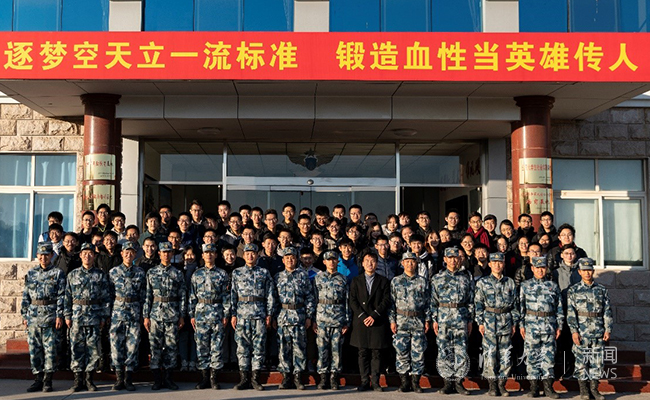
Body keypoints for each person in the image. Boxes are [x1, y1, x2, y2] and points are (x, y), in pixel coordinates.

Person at [64, 243, 111, 392]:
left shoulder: (100, 275)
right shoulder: (72, 275)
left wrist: (104, 316)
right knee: (76, 348)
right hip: (77, 317)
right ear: (80, 255)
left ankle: (89, 380)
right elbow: (67, 297)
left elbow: (106, 297)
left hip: (94, 316)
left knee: (93, 350)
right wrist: (67, 315)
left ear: (94, 256)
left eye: (90, 253)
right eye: (84, 253)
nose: (87, 256)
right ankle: (78, 380)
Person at [21, 242, 66, 393]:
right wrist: (24, 315)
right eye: (41, 255)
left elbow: (61, 296)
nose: (43, 258)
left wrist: (60, 315)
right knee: (35, 349)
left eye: (46, 255)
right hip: (33, 316)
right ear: (37, 256)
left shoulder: (58, 273)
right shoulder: (31, 273)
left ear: (51, 255)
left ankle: (48, 380)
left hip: (50, 316)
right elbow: (26, 295)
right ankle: (38, 379)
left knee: (50, 350)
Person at [230, 243, 276, 391]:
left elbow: (270, 295)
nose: (250, 256)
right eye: (247, 253)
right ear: (243, 255)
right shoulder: (237, 273)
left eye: (253, 253)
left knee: (259, 347)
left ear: (257, 255)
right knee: (242, 348)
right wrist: (233, 314)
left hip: (259, 314)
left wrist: (269, 314)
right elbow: (233, 294)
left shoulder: (264, 272)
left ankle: (255, 379)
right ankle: (244, 379)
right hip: (242, 315)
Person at [143, 241, 187, 391]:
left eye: (169, 252)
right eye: (163, 252)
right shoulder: (151, 272)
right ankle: (157, 379)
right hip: (155, 314)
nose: (166, 254)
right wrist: (146, 316)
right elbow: (147, 296)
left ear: (172, 253)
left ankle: (168, 379)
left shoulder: (178, 273)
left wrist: (182, 315)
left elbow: (182, 296)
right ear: (159, 253)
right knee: (155, 347)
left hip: (172, 314)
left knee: (171, 347)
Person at [474, 252, 519, 397]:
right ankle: (492, 385)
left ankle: (502, 384)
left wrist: (514, 323)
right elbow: (478, 304)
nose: (497, 265)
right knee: (490, 354)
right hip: (489, 322)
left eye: (500, 262)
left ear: (503, 264)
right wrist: (480, 322)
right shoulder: (483, 283)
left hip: (506, 321)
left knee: (505, 354)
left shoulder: (510, 282)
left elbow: (515, 305)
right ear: (490, 264)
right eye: (494, 262)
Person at [567, 258, 613, 400]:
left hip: (598, 331)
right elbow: (571, 313)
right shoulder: (574, 290)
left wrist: (608, 329)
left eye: (589, 270)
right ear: (579, 272)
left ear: (593, 271)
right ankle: (584, 390)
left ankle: (594, 389)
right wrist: (574, 331)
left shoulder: (601, 290)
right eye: (584, 270)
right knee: (581, 361)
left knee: (597, 362)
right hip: (582, 332)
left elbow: (607, 311)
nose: (587, 273)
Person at [430, 247, 474, 395]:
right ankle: (447, 383)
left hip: (461, 318)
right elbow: (433, 301)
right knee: (444, 350)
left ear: (460, 259)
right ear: (445, 259)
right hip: (443, 318)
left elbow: (470, 301)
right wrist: (434, 319)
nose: (453, 260)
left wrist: (470, 320)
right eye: (450, 258)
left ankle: (459, 382)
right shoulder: (437, 278)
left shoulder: (465, 278)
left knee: (461, 350)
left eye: (456, 257)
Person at [519, 257, 564, 399]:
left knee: (548, 357)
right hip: (531, 326)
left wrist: (559, 325)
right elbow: (520, 307)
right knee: (532, 357)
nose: (540, 270)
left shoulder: (553, 286)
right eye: (537, 268)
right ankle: (534, 387)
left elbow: (559, 308)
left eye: (543, 268)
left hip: (549, 325)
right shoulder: (525, 286)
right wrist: (521, 325)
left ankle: (548, 387)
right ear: (532, 269)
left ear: (546, 269)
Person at [189, 243, 231, 390]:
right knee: (201, 346)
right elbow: (192, 296)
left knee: (217, 346)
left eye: (212, 252)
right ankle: (204, 377)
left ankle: (214, 378)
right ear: (203, 255)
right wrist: (191, 314)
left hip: (217, 311)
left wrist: (226, 314)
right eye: (206, 253)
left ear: (216, 255)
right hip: (201, 313)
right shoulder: (197, 274)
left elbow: (226, 296)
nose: (209, 255)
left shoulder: (222, 274)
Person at [274, 247, 316, 390]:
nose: (290, 260)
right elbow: (274, 298)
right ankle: (286, 377)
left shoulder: (302, 275)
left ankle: (298, 377)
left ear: (296, 259)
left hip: (299, 315)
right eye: (287, 258)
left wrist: (309, 316)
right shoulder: (278, 277)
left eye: (292, 257)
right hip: (283, 316)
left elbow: (309, 297)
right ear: (283, 260)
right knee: (283, 348)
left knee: (299, 347)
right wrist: (273, 316)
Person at [349, 251, 391, 392]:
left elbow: (386, 300)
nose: (370, 264)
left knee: (376, 352)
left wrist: (374, 316)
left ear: (377, 264)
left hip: (377, 320)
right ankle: (364, 381)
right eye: (367, 261)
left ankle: (376, 381)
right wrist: (363, 316)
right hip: (361, 321)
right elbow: (352, 300)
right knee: (362, 352)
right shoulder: (356, 281)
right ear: (362, 263)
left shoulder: (383, 281)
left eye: (373, 261)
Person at [389, 251, 431, 393]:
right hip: (401, 321)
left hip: (418, 320)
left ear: (416, 263)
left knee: (418, 352)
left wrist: (427, 319)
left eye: (412, 261)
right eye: (407, 261)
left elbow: (428, 303)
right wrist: (392, 320)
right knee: (401, 352)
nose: (410, 264)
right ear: (402, 263)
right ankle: (404, 382)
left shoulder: (423, 281)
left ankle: (416, 382)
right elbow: (391, 303)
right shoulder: (396, 281)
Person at [108, 241, 146, 391]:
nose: (129, 254)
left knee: (133, 345)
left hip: (134, 311)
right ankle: (119, 378)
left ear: (135, 254)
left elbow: (143, 295)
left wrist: (143, 314)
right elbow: (109, 294)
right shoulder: (113, 272)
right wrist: (108, 313)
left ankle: (128, 378)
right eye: (126, 252)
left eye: (131, 252)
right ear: (122, 253)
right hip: (117, 312)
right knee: (116, 344)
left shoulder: (140, 272)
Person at [313, 250, 350, 390]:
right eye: (329, 260)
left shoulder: (343, 279)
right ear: (324, 262)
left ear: (337, 261)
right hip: (321, 319)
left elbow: (347, 301)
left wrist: (347, 321)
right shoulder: (318, 278)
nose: (332, 262)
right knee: (322, 350)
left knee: (336, 350)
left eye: (334, 259)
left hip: (338, 319)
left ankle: (334, 377)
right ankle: (323, 377)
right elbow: (314, 299)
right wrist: (313, 319)